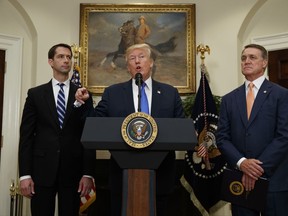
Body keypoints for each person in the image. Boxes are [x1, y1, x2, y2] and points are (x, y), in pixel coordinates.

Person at [75, 43, 185, 216]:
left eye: (141, 57)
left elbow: (180, 127)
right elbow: (95, 123)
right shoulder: (113, 93)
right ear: (127, 67)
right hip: (122, 175)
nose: (137, 61)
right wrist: (86, 103)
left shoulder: (169, 93)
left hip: (161, 174)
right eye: (132, 59)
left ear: (151, 62)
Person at [18, 43, 95, 216]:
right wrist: (25, 175)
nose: (66, 60)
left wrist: (88, 173)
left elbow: (88, 136)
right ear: (50, 62)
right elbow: (26, 137)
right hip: (41, 170)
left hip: (73, 172)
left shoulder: (83, 94)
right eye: (61, 56)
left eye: (69, 57)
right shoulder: (35, 94)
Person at [216, 44, 288, 216]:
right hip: (240, 180)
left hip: (275, 181)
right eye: (243, 58)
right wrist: (242, 163)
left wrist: (255, 169)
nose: (246, 61)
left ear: (264, 62)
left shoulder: (282, 95)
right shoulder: (228, 99)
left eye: (252, 57)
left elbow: (284, 136)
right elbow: (222, 138)